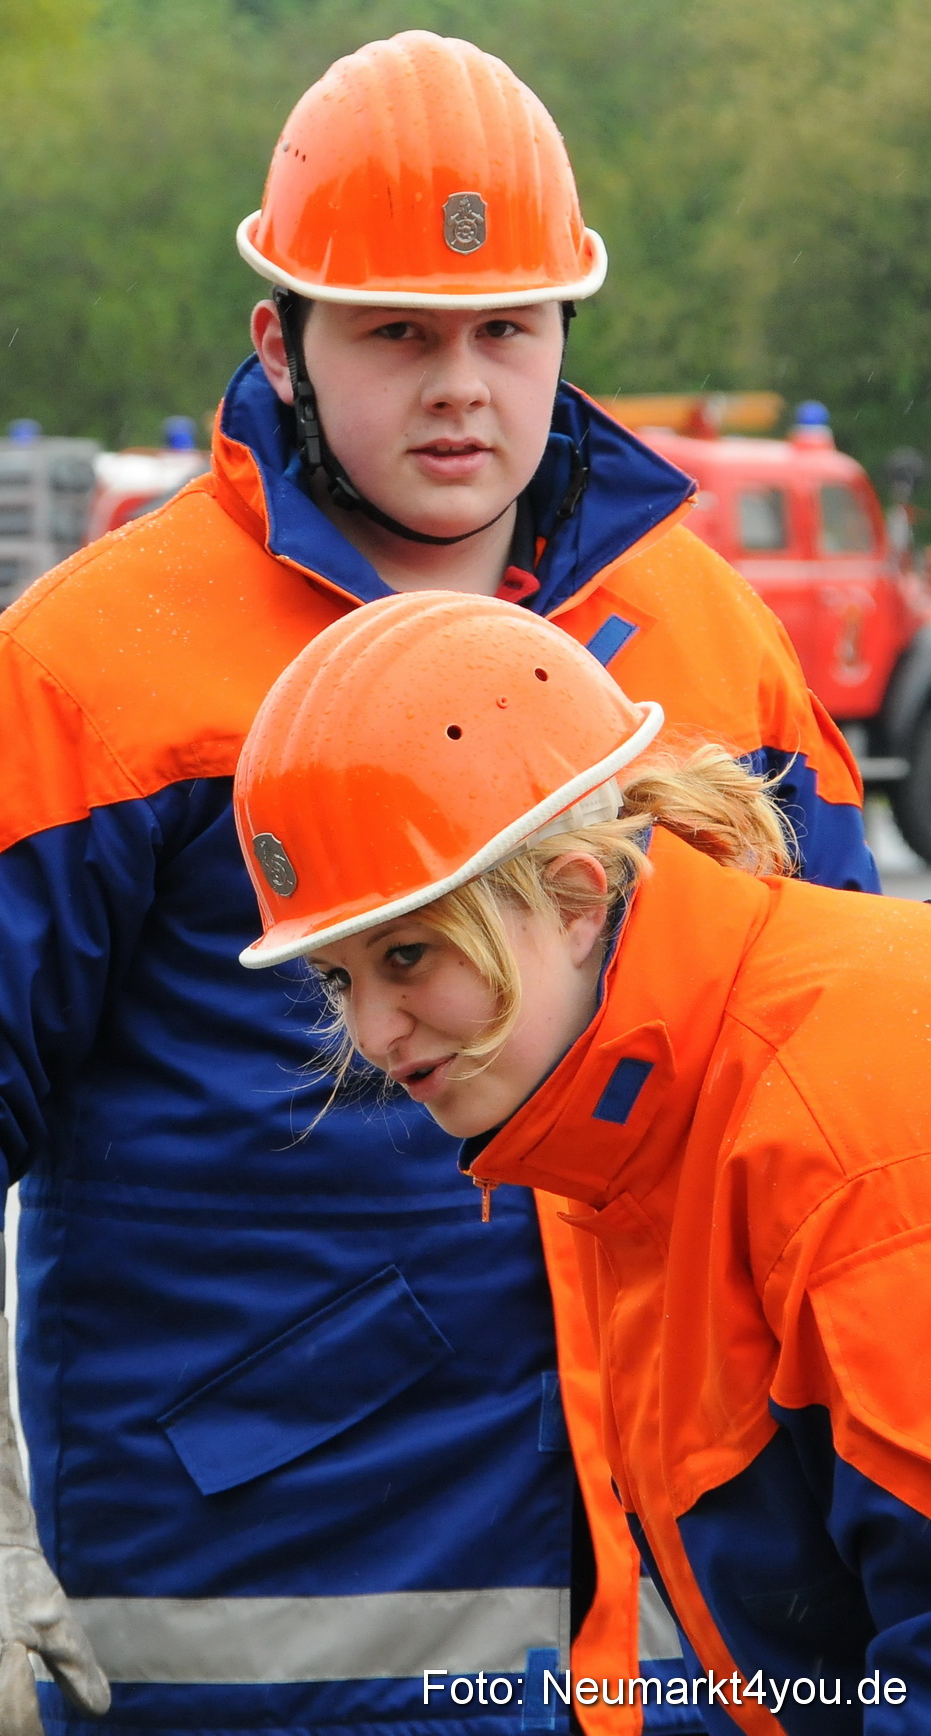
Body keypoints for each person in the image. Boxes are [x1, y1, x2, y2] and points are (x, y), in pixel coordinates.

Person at [0, 29, 878, 1736]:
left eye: (506, 330)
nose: (460, 385)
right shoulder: (102, 669)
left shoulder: (712, 644)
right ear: (280, 343)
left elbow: (859, 1078)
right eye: (395, 332)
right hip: (261, 1619)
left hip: (688, 1633)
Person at [232, 589, 931, 1736]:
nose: (374, 1031)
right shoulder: (628, 1122)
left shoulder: (845, 1130)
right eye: (338, 976)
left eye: (407, 954)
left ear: (573, 894)